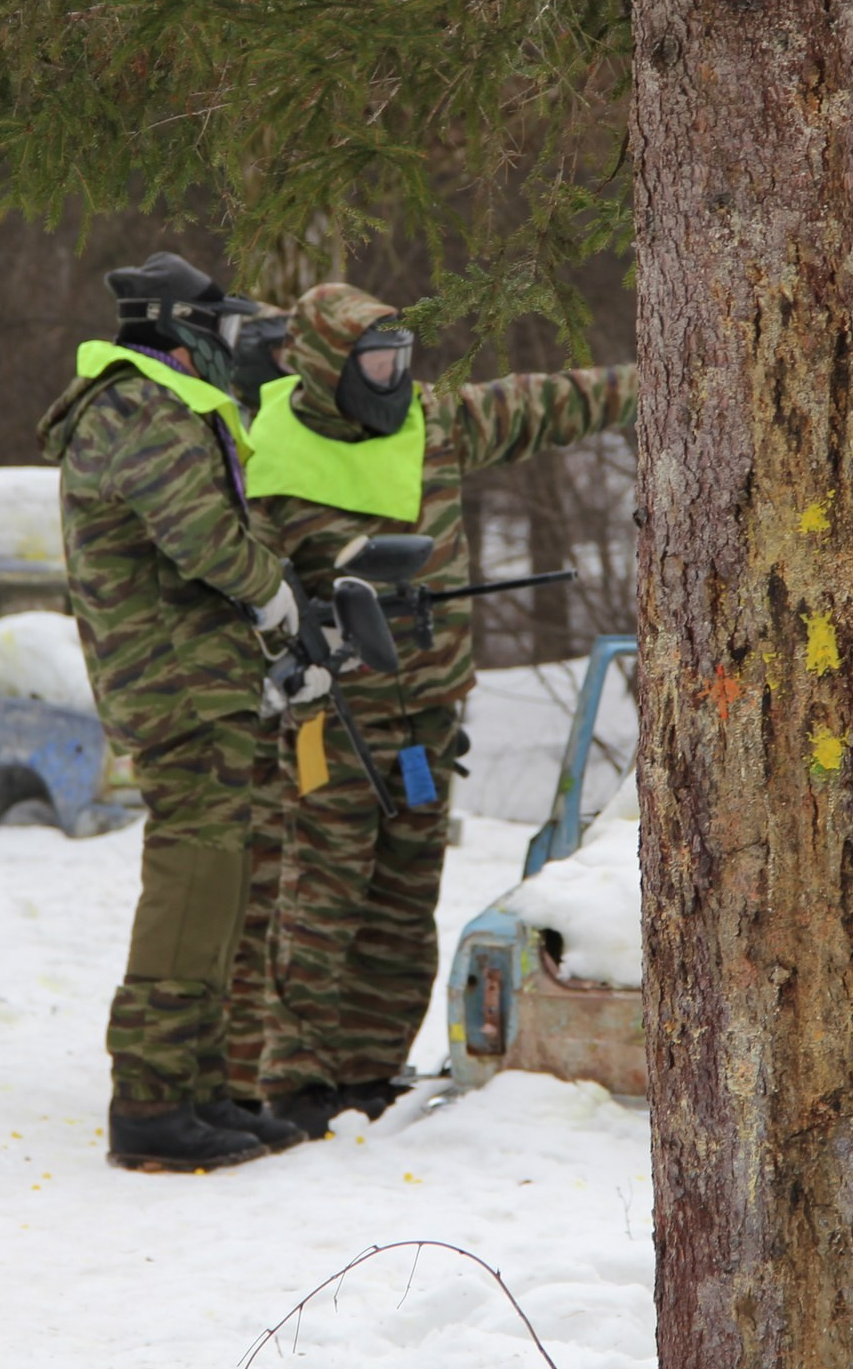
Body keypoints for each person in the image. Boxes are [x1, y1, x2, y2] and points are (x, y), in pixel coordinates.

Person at [244, 283, 636, 1136]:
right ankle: (296, 1079)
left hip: (428, 714)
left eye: (399, 360)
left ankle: (369, 1067)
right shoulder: (267, 457)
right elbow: (241, 589)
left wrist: (661, 379)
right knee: (321, 896)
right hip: (330, 717)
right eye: (372, 363)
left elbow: (549, 403)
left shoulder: (436, 421)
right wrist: (293, 643)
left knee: (403, 897)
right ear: (322, 369)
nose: (391, 379)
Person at [36, 253, 310, 1171]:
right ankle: (150, 1101)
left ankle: (199, 1089)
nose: (238, 348)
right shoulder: (134, 406)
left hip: (204, 680)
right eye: (223, 329)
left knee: (219, 881)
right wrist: (273, 594)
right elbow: (198, 535)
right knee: (193, 882)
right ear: (176, 329)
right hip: (176, 688)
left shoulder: (161, 405)